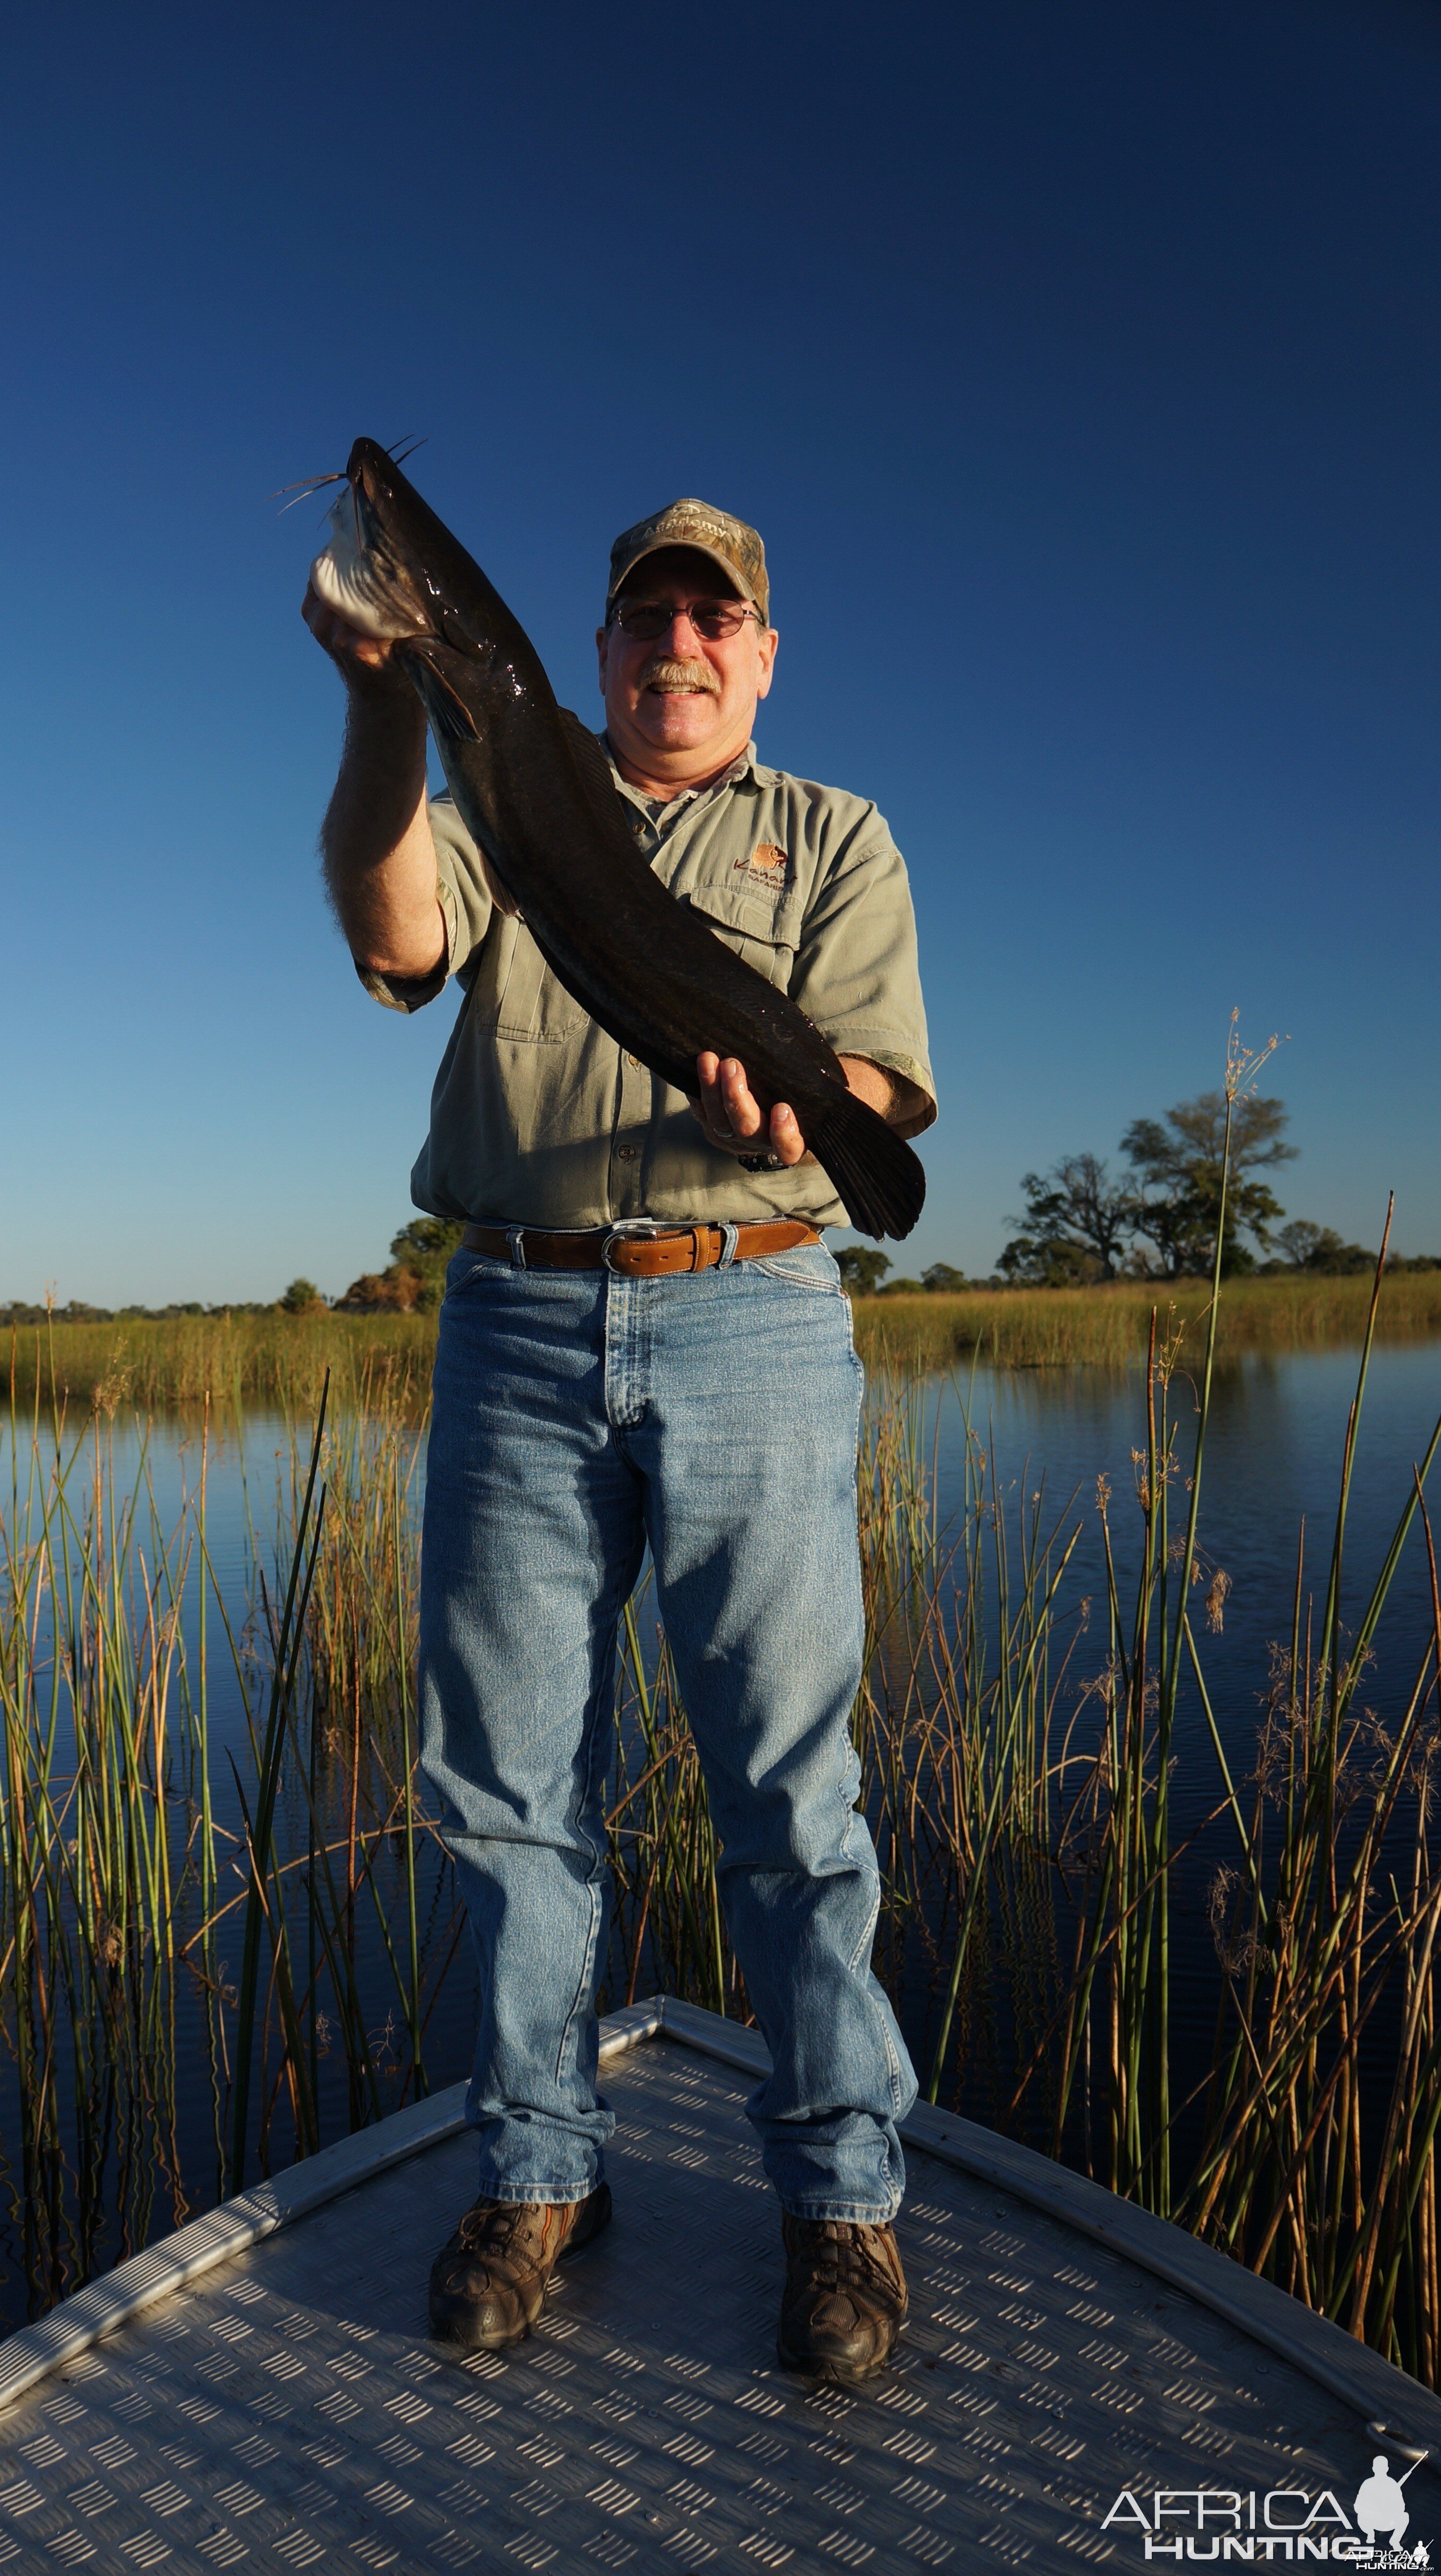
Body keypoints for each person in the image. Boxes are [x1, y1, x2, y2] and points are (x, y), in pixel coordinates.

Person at [303, 491, 936, 2389]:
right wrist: (384, 702)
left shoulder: (832, 835)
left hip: (755, 1301)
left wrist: (799, 1119)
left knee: (788, 1793)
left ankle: (842, 2210)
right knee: (505, 1789)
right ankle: (538, 2174)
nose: (678, 644)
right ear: (591, 655)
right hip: (511, 1313)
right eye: (645, 617)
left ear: (759, 651)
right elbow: (393, 927)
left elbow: (887, 1087)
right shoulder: (514, 796)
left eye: (712, 618)